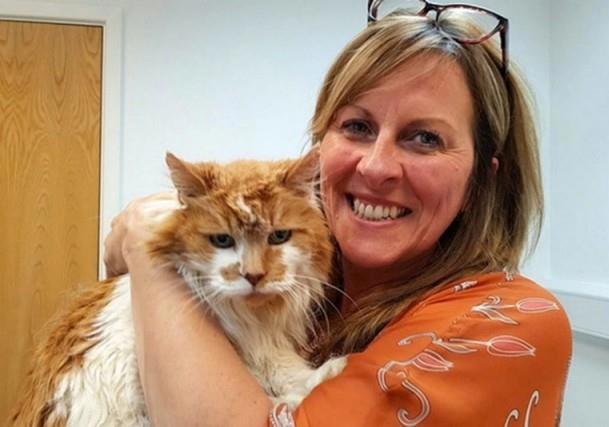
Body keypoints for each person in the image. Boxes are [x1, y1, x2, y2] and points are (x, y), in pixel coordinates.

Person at [105, 2, 572, 426]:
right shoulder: (307, 291)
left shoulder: (508, 322)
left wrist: (148, 247)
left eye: (425, 138)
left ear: (480, 181)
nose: (376, 167)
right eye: (357, 126)